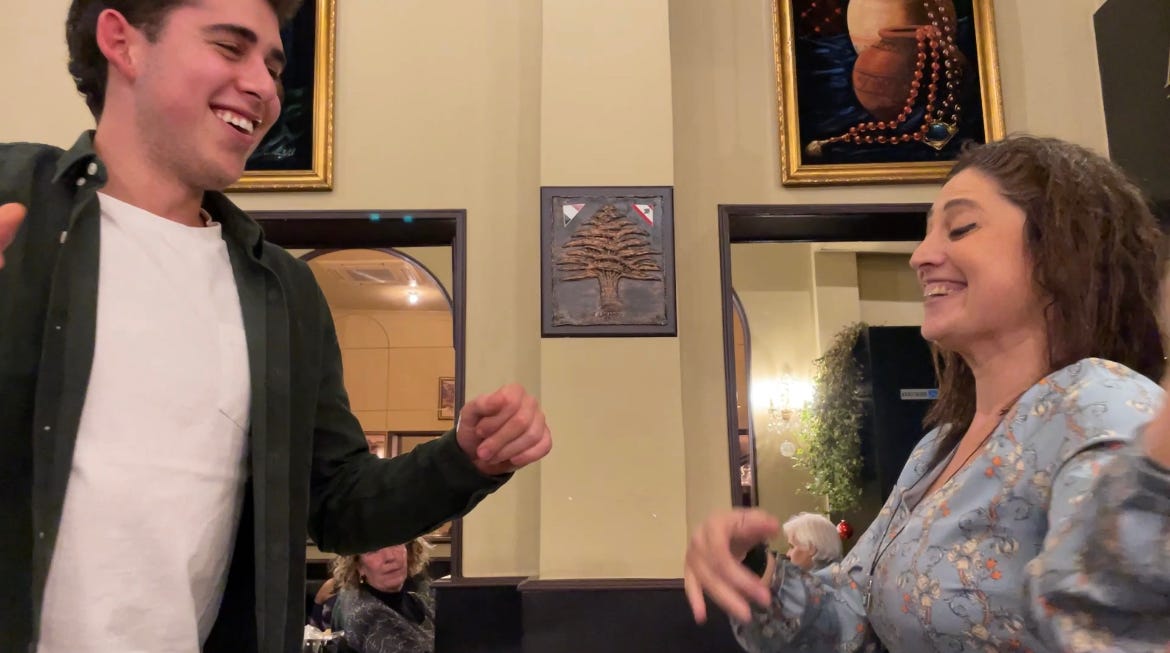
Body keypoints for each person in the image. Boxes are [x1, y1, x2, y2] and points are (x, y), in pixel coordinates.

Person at [0, 2, 553, 652]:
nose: (264, 86)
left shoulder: (283, 292)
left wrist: (462, 460)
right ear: (123, 42)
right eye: (230, 47)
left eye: (273, 65)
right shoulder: (16, 200)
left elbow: (337, 502)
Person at [683, 136, 1170, 652]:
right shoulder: (938, 449)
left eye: (960, 228)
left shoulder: (1100, 406)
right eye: (926, 234)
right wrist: (752, 568)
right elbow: (850, 621)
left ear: (1062, 251)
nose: (920, 256)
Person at [331, 539, 436, 653]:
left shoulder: (414, 601)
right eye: (374, 549)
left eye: (396, 542)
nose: (390, 557)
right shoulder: (370, 615)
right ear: (358, 565)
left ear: (409, 550)